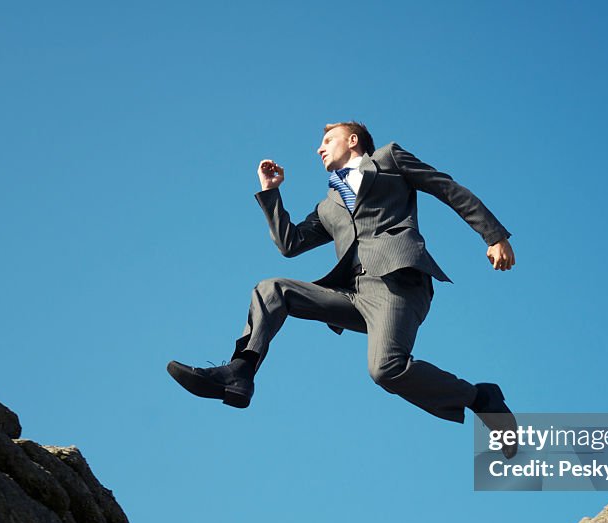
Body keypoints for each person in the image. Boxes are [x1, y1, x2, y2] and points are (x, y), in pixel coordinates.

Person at [168, 121, 518, 457]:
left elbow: (447, 188)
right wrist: (271, 192)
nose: (319, 148)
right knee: (271, 289)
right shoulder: (328, 206)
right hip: (354, 293)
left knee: (386, 369)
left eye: (328, 140)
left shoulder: (389, 159)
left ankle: (480, 398)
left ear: (353, 140)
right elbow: (290, 244)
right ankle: (239, 372)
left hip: (398, 281)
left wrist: (494, 235)